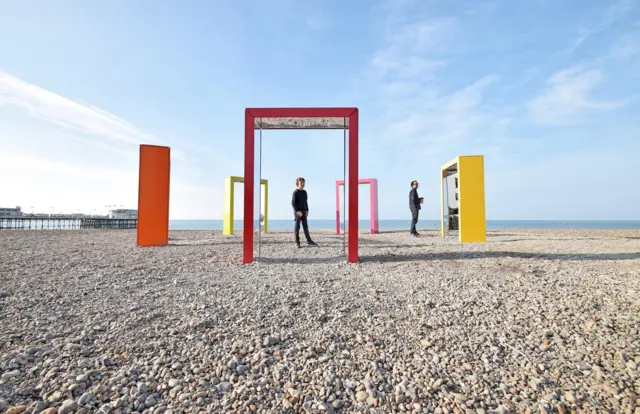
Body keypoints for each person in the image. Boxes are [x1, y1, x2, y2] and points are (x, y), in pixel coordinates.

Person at [291, 177, 318, 248]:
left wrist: (307, 210)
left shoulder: (305, 192)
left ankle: (309, 240)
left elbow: (306, 202)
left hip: (304, 212)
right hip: (298, 213)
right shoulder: (295, 192)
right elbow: (293, 203)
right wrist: (297, 211)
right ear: (297, 184)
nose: (302, 184)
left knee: (305, 227)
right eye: (301, 183)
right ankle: (297, 242)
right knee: (297, 227)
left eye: (303, 183)